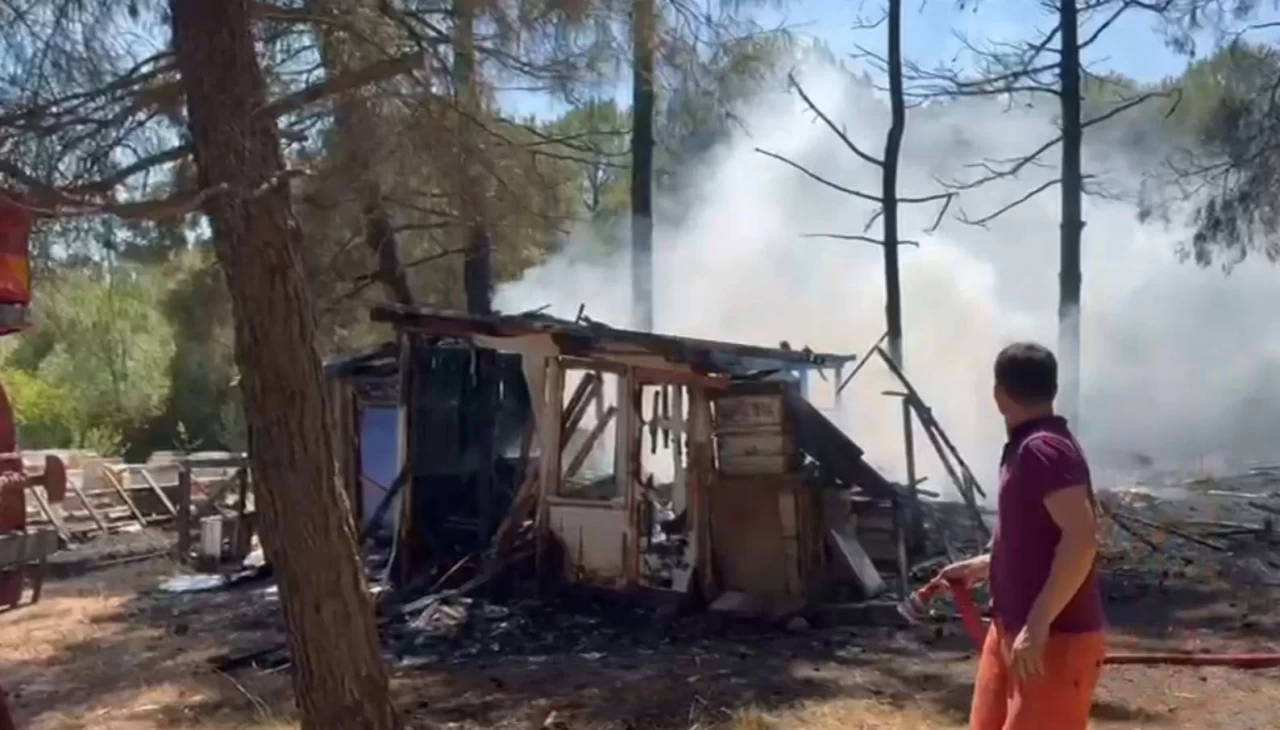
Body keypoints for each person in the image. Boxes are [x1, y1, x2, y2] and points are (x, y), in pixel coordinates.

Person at [939, 342, 1104, 730]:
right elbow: (1037, 532)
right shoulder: (1027, 448)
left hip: (1055, 638)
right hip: (1013, 630)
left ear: (999, 395)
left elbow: (1081, 539)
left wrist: (1038, 622)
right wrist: (985, 564)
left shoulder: (1042, 450)